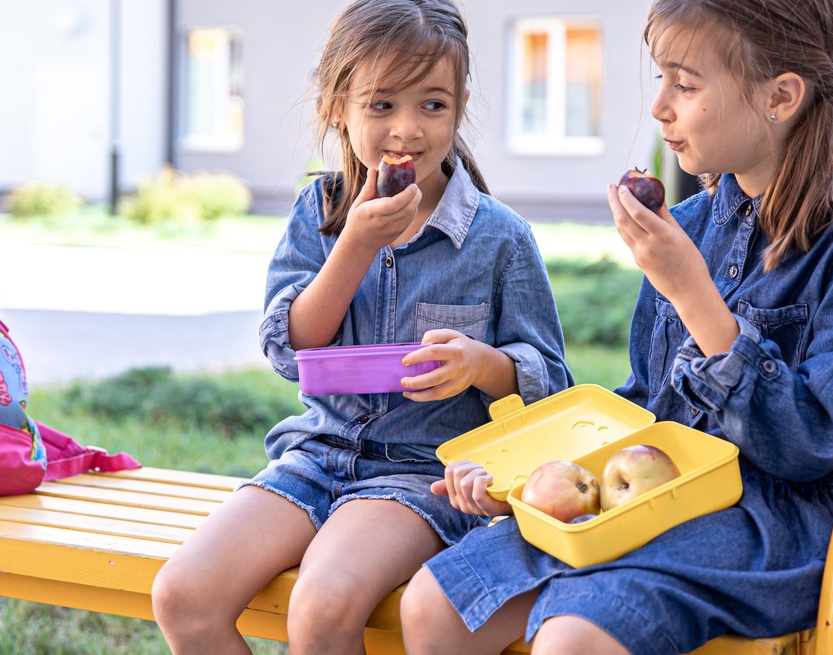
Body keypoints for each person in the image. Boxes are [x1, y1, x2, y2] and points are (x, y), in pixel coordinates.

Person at [399, 1, 833, 654]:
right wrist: (532, 479)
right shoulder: (686, 226)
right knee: (436, 604)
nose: (659, 107)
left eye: (684, 84)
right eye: (661, 79)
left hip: (779, 522)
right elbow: (646, 407)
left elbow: (809, 444)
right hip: (657, 492)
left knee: (575, 637)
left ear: (782, 97)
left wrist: (694, 294)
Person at [150, 0, 573, 652]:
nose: (407, 128)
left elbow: (550, 380)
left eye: (432, 105)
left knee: (322, 605)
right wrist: (353, 244)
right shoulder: (317, 212)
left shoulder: (497, 238)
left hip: (419, 474)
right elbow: (289, 349)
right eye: (381, 105)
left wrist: (481, 364)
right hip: (315, 457)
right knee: (182, 593)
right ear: (338, 105)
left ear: (459, 105)